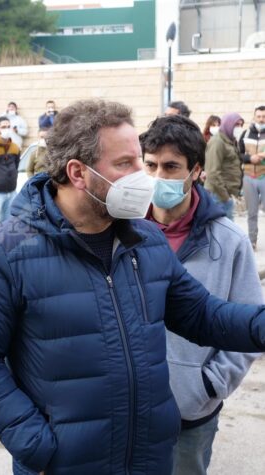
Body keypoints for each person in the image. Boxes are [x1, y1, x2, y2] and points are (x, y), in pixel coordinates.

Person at [0, 99, 265, 475]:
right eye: (126, 163)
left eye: (139, 160)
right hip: (65, 464)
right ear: (78, 173)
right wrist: (35, 444)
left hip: (148, 460)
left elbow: (204, 315)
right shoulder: (5, 249)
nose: (143, 176)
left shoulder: (145, 238)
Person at [140, 114, 262, 475]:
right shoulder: (122, 231)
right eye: (150, 165)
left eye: (170, 167)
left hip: (191, 411)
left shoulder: (229, 241)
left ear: (196, 171)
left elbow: (247, 323)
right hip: (125, 406)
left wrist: (210, 383)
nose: (158, 177)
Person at [204, 112, 244, 221]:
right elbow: (212, 172)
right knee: (223, 228)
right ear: (228, 124)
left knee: (226, 228)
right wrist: (225, 197)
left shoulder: (230, 141)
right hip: (218, 195)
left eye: (241, 125)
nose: (239, 128)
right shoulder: (217, 141)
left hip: (225, 194)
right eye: (236, 125)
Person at [238, 105, 265, 250]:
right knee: (252, 212)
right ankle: (252, 241)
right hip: (248, 177)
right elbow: (238, 154)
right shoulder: (246, 133)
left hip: (264, 176)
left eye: (264, 117)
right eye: (259, 116)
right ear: (254, 117)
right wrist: (249, 158)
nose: (261, 119)